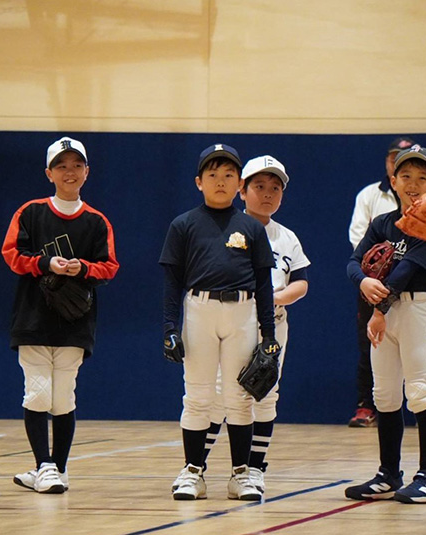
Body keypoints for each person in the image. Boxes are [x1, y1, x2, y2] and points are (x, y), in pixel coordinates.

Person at [160, 144, 277, 501]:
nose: (221, 181)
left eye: (229, 175)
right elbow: (171, 281)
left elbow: (263, 283)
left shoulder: (251, 228)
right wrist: (169, 328)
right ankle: (193, 472)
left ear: (239, 183)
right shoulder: (183, 225)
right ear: (199, 182)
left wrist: (268, 334)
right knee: (197, 395)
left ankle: (241, 475)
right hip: (199, 310)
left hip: (242, 313)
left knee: (239, 397)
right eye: (212, 175)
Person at [3, 137, 119, 494]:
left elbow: (109, 266)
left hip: (75, 321)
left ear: (87, 171)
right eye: (62, 166)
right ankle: (44, 466)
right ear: (49, 172)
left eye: (76, 165)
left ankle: (58, 469)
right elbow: (11, 254)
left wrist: (80, 268)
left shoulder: (97, 221)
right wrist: (44, 263)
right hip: (33, 319)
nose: (70, 172)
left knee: (63, 396)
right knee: (37, 393)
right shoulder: (31, 212)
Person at [197, 155, 310, 495]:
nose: (268, 193)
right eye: (259, 186)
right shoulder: (228, 227)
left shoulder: (286, 237)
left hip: (273, 325)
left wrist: (273, 299)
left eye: (275, 188)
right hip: (232, 321)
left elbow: (301, 282)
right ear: (241, 190)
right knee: (219, 394)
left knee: (264, 393)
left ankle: (255, 469)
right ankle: (196, 466)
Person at [345, 146, 426, 504]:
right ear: (393, 181)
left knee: (420, 391)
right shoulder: (382, 223)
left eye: (423, 177)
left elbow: (404, 273)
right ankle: (388, 474)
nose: (414, 184)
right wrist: (361, 281)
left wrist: (378, 305)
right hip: (383, 311)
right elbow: (354, 261)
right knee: (385, 395)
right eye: (406, 176)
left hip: (415, 310)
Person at [347, 136, 415, 428]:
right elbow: (358, 240)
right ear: (389, 164)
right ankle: (366, 406)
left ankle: (416, 405)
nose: (396, 160)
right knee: (369, 343)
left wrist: (398, 265)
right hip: (373, 282)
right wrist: (376, 269)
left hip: (410, 285)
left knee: (412, 349)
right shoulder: (369, 196)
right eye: (393, 157)